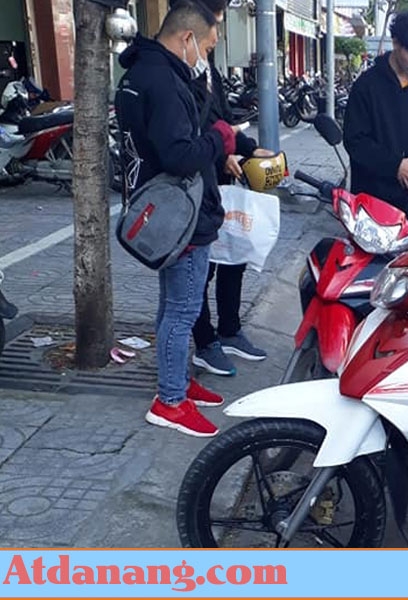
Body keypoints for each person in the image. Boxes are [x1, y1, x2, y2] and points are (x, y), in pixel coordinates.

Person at [116, 1, 238, 437]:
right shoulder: (165, 82)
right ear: (187, 38)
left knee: (173, 305)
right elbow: (181, 156)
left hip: (164, 211)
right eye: (208, 45)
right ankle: (170, 400)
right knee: (183, 309)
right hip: (179, 215)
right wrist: (220, 138)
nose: (207, 54)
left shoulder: (142, 72)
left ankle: (178, 382)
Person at [176, 0, 275, 377]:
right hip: (193, 186)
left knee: (235, 253)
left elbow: (222, 121)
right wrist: (221, 156)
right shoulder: (173, 73)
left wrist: (249, 149)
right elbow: (187, 135)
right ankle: (205, 342)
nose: (216, 36)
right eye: (214, 24)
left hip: (223, 184)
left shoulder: (207, 67)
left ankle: (230, 329)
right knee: (201, 268)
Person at [343, 10, 408, 213]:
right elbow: (355, 140)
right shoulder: (366, 86)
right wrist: (395, 165)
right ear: (396, 43)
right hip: (371, 201)